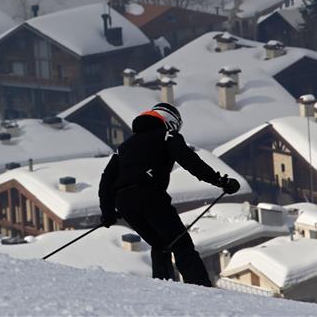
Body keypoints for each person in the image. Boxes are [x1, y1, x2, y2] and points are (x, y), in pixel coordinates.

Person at [98, 102, 240, 286]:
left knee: (160, 244)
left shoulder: (124, 146)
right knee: (181, 245)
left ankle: (163, 286)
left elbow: (106, 180)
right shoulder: (167, 136)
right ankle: (202, 288)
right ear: (172, 122)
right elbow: (190, 161)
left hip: (124, 203)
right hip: (150, 196)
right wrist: (220, 181)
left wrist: (108, 212)